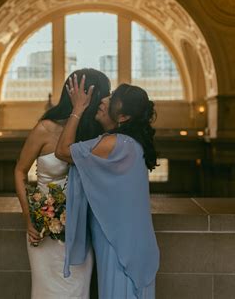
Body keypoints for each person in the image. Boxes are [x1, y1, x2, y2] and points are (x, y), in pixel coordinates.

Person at [55, 76, 160, 298]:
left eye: (112, 99)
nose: (103, 101)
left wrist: (77, 109)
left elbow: (63, 151)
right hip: (130, 242)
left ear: (123, 116)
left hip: (119, 246)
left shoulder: (116, 144)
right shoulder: (130, 144)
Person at [14, 69, 111, 299]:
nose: (105, 102)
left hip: (81, 231)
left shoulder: (96, 132)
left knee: (78, 292)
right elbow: (19, 171)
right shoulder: (44, 129)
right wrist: (29, 218)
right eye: (103, 95)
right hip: (44, 231)